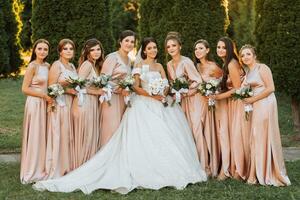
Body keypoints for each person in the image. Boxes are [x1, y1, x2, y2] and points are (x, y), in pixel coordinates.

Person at [32, 37, 207, 194]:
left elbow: (165, 82)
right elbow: (136, 86)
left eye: (155, 47)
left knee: (166, 136)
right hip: (141, 101)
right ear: (144, 50)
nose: (153, 50)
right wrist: (150, 94)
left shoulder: (160, 65)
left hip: (158, 101)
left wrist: (164, 91)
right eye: (149, 48)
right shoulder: (136, 65)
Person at [239, 44, 291, 186]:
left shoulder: (263, 68)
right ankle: (256, 171)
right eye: (242, 55)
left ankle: (266, 172)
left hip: (265, 103)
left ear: (254, 55)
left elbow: (271, 88)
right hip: (255, 104)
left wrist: (252, 99)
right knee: (256, 136)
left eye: (248, 54)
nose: (245, 57)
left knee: (261, 135)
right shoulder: (247, 73)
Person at [165, 32, 207, 174]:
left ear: (180, 47)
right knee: (186, 131)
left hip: (193, 99)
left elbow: (198, 81)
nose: (171, 48)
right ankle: (191, 163)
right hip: (181, 102)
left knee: (196, 130)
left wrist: (187, 91)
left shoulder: (186, 62)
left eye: (174, 46)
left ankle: (204, 166)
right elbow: (172, 83)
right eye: (168, 46)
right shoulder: (169, 64)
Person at [214, 37, 251, 180]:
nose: (220, 50)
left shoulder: (231, 64)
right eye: (218, 47)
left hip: (238, 103)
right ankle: (234, 166)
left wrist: (218, 97)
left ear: (229, 49)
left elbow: (237, 88)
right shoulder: (227, 63)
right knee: (234, 135)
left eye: (223, 47)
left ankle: (239, 169)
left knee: (237, 136)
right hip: (232, 103)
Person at [20, 39, 52, 184]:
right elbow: (25, 89)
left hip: (45, 103)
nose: (42, 52)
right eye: (40, 49)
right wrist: (43, 96)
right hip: (34, 102)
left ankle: (42, 166)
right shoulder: (32, 66)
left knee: (43, 134)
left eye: (45, 49)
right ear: (34, 50)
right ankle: (32, 169)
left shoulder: (48, 66)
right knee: (35, 134)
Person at [45, 39, 78, 178]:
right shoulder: (56, 65)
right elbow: (51, 87)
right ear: (60, 51)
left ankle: (67, 165)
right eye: (65, 49)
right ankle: (57, 167)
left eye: (71, 48)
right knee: (60, 133)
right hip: (60, 104)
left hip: (72, 103)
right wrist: (67, 91)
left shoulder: (72, 66)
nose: (69, 51)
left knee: (69, 134)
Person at [194, 39, 226, 178]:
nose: (198, 51)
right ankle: (202, 164)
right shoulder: (195, 67)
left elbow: (224, 81)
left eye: (201, 48)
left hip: (209, 104)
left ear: (207, 50)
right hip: (197, 103)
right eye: (196, 49)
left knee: (209, 131)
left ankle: (213, 165)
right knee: (198, 131)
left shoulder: (213, 66)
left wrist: (213, 90)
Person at [72, 39, 105, 169]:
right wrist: (98, 92)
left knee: (91, 135)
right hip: (84, 103)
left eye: (98, 49)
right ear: (87, 52)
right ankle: (81, 167)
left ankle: (89, 166)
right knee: (86, 135)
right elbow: (78, 88)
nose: (96, 52)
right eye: (92, 50)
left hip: (92, 104)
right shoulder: (86, 65)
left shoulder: (95, 65)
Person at [99, 30, 135, 147]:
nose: (129, 44)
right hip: (111, 99)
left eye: (132, 42)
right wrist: (119, 88)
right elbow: (103, 80)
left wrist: (127, 88)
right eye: (126, 41)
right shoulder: (112, 57)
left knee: (120, 128)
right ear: (120, 42)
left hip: (122, 99)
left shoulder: (129, 60)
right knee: (111, 129)